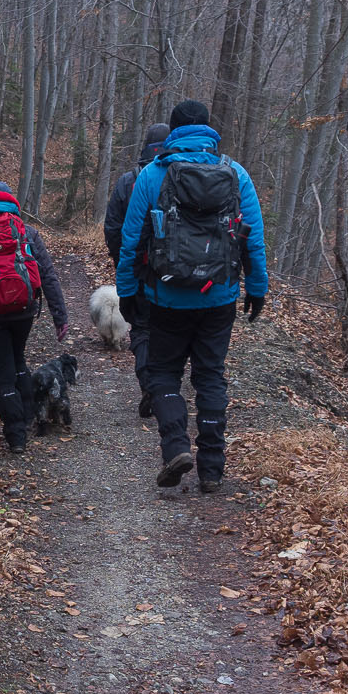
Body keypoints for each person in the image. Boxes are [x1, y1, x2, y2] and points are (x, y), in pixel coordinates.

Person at [114, 100, 269, 492]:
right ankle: (212, 469)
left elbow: (131, 240)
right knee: (210, 375)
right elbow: (253, 237)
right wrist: (257, 288)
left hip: (165, 297)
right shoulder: (236, 173)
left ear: (174, 129)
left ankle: (176, 448)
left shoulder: (153, 174)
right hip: (219, 297)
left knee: (164, 373)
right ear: (209, 129)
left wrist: (128, 292)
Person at [0, 180, 69, 452]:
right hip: (24, 310)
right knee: (19, 360)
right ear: (12, 202)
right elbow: (48, 275)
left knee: (4, 373)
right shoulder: (27, 232)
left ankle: (16, 435)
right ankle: (30, 417)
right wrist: (60, 316)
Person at [104, 123, 172, 418]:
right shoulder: (183, 175)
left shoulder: (129, 180)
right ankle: (167, 390)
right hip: (176, 274)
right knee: (170, 330)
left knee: (142, 330)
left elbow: (112, 228)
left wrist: (123, 262)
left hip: (140, 270)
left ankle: (150, 385)